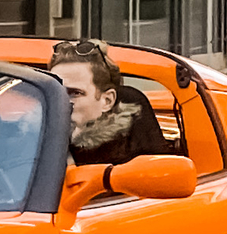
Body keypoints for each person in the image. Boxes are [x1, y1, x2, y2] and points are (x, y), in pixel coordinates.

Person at [49, 39, 158, 167]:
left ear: (107, 101)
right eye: (55, 91)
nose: (61, 101)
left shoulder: (130, 162)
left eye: (75, 93)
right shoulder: (32, 138)